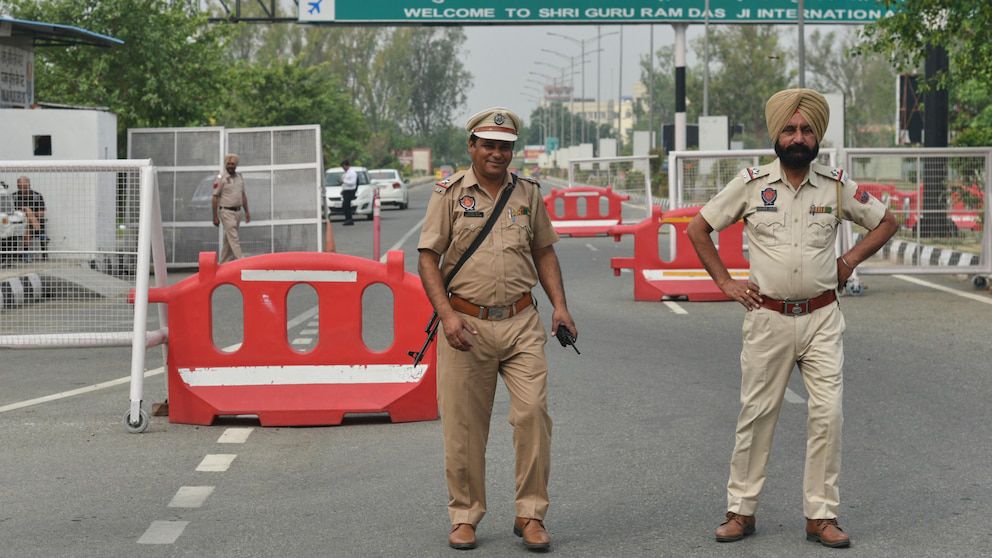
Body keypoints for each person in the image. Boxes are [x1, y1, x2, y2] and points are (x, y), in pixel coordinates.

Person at [687, 88, 898, 549]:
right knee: (756, 416)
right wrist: (726, 283)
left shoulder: (836, 184)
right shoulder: (750, 184)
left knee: (829, 415)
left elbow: (886, 221)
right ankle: (740, 511)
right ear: (776, 135)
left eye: (805, 130)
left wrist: (848, 262)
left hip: (822, 318)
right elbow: (698, 227)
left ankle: (820, 516)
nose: (798, 137)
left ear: (816, 136)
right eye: (789, 129)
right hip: (768, 318)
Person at [417, 107, 577, 552]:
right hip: (465, 325)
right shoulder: (449, 194)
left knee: (532, 416)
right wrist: (447, 315)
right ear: (472, 146)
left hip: (522, 322)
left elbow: (544, 251)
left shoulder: (527, 194)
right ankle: (464, 515)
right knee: (465, 427)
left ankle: (530, 514)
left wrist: (560, 307)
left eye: (505, 146)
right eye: (488, 144)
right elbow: (428, 257)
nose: (497, 153)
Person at [211, 153, 251, 263]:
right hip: (226, 211)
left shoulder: (239, 177)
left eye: (233, 164)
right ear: (225, 164)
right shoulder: (221, 178)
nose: (230, 166)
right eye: (228, 163)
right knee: (234, 238)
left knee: (228, 241)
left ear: (236, 165)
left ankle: (223, 263)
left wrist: (247, 211)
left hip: (238, 212)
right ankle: (241, 261)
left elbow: (243, 195)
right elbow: (214, 197)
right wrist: (215, 216)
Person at [13, 176, 47, 261]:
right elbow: (12, 213)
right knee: (26, 220)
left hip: (35, 222)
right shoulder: (14, 197)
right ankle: (39, 233)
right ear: (17, 186)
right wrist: (27, 212)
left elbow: (41, 213)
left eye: (24, 186)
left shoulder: (37, 196)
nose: (22, 188)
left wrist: (29, 213)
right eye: (20, 186)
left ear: (29, 185)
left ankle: (26, 253)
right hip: (19, 223)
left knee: (27, 221)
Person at [340, 159, 357, 225]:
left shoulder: (352, 173)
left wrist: (344, 181)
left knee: (347, 205)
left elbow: (352, 182)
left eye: (343, 167)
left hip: (350, 191)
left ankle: (349, 219)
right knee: (345, 206)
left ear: (346, 165)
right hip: (346, 191)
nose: (343, 168)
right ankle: (347, 219)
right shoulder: (346, 173)